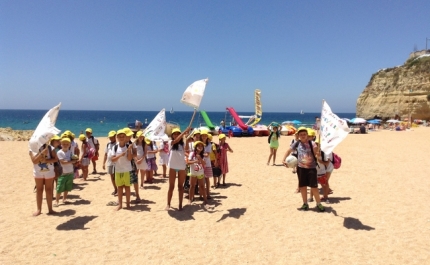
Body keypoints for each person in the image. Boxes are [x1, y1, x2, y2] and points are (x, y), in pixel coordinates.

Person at [282, 127, 325, 212]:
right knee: (302, 187)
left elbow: (317, 156)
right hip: (301, 168)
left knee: (314, 187)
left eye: (304, 134)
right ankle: (305, 204)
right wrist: (283, 159)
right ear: (298, 136)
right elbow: (288, 150)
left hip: (311, 168)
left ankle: (318, 204)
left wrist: (318, 154)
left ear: (307, 135)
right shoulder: (297, 143)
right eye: (301, 134)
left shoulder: (312, 143)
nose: (303, 136)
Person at [166, 127, 191, 211]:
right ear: (172, 135)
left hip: (181, 167)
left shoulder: (182, 144)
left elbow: (187, 151)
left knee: (180, 187)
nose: (176, 135)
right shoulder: (170, 143)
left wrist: (187, 139)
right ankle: (168, 204)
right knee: (171, 187)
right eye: (175, 134)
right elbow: (176, 140)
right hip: (172, 167)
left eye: (177, 133)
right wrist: (184, 131)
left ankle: (180, 205)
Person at [29, 143, 57, 216]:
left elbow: (56, 159)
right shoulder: (32, 147)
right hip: (38, 172)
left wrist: (47, 160)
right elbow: (34, 161)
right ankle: (39, 209)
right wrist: (42, 153)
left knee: (49, 189)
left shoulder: (51, 148)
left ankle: (50, 209)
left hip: (49, 171)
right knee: (39, 190)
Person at [111, 129, 134, 210]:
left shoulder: (128, 146)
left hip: (127, 170)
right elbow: (113, 159)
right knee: (120, 188)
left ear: (125, 137)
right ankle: (120, 205)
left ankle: (128, 204)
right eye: (120, 136)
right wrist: (120, 155)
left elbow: (129, 159)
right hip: (118, 170)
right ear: (117, 137)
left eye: (123, 136)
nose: (121, 138)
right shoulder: (115, 147)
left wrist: (129, 150)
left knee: (127, 188)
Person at [55, 138, 76, 206]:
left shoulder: (70, 152)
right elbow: (63, 162)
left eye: (67, 144)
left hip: (70, 171)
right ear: (61, 144)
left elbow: (73, 160)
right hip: (62, 172)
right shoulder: (59, 152)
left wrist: (74, 161)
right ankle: (57, 201)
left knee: (67, 186)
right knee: (59, 187)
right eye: (64, 144)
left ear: (69, 144)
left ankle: (64, 199)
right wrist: (72, 161)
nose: (65, 145)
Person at [187, 141, 208, 207]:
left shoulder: (203, 154)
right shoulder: (192, 153)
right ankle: (190, 199)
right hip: (193, 172)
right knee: (192, 186)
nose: (200, 147)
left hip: (200, 172)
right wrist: (195, 161)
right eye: (198, 146)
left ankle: (205, 200)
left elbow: (204, 164)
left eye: (201, 146)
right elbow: (188, 162)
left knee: (202, 186)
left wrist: (200, 158)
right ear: (195, 147)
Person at [103, 130, 117, 196]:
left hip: (116, 163)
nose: (111, 138)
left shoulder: (117, 144)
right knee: (111, 176)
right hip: (109, 163)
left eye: (112, 137)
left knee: (116, 176)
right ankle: (115, 189)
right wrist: (103, 163)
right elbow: (105, 154)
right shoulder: (108, 144)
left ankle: (118, 189)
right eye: (110, 137)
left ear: (115, 136)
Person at [200, 130, 213, 199]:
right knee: (200, 179)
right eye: (203, 135)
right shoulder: (199, 143)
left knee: (207, 179)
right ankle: (201, 194)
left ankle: (208, 193)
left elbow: (207, 155)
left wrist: (200, 154)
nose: (204, 137)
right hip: (200, 164)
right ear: (201, 136)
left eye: (205, 135)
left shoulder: (209, 144)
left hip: (207, 164)